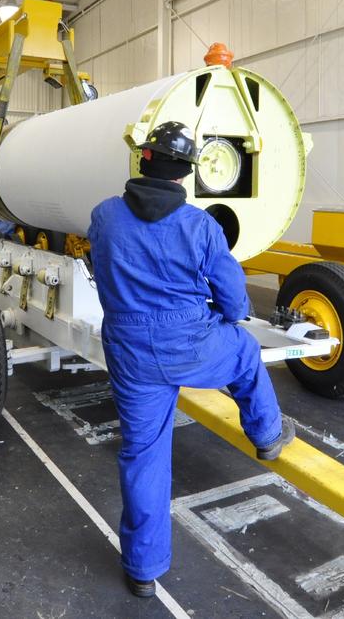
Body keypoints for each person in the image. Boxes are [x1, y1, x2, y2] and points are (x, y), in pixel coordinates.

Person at [87, 121, 294, 599]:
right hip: (187, 343)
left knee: (143, 454)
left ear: (144, 162)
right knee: (244, 353)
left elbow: (100, 265)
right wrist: (227, 314)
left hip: (129, 350)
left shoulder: (104, 215)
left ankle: (143, 569)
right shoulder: (200, 225)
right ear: (185, 175)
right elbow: (235, 300)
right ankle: (266, 435)